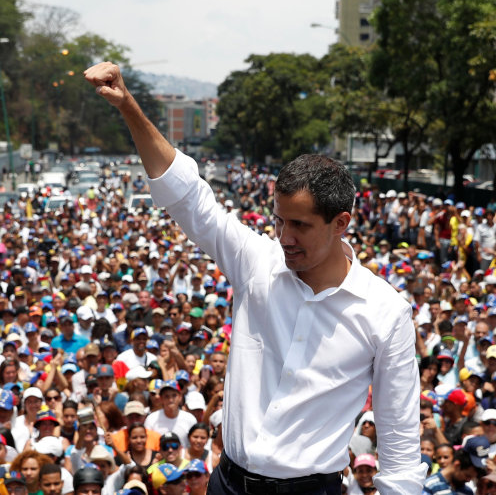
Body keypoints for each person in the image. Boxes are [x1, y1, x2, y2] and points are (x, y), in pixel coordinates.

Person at [84, 61, 426, 493]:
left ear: (341, 223)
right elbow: (189, 198)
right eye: (279, 221)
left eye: (300, 225)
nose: (284, 237)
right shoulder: (256, 262)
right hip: (226, 483)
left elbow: (398, 442)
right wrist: (128, 106)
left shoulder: (385, 312)